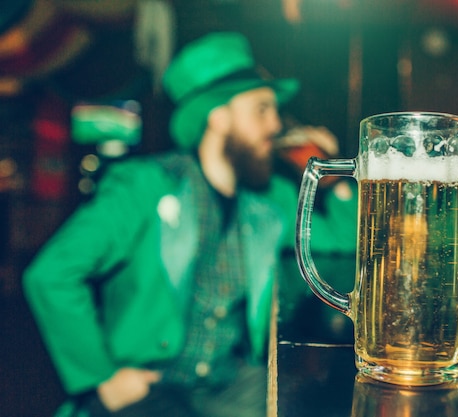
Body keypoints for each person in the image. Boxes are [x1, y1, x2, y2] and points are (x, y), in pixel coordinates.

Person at [23, 31, 356, 417]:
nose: (276, 124)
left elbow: (344, 242)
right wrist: (102, 377)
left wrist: (330, 176)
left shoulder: (269, 200)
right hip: (153, 382)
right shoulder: (143, 186)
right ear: (218, 115)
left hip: (230, 381)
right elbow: (51, 273)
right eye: (262, 109)